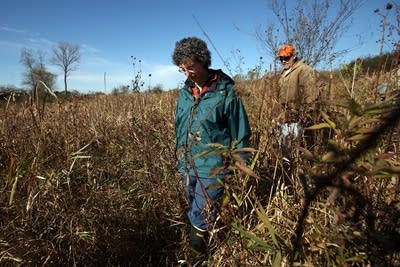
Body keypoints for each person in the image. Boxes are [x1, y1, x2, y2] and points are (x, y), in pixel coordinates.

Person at [172, 37, 251, 262]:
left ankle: (196, 259)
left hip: (214, 166)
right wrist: (179, 155)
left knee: (200, 214)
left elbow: (241, 132)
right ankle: (206, 247)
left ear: (203, 61)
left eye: (191, 67)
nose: (187, 73)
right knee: (196, 209)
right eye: (182, 69)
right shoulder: (185, 93)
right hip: (187, 164)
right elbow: (179, 125)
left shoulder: (226, 92)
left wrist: (240, 165)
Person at [276, 44, 319, 156]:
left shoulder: (304, 70)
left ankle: (297, 171)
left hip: (298, 118)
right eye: (281, 58)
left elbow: (310, 96)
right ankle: (287, 170)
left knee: (295, 150)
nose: (283, 61)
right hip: (286, 117)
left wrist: (305, 116)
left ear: (294, 56)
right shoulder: (284, 73)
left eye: (286, 58)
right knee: (285, 149)